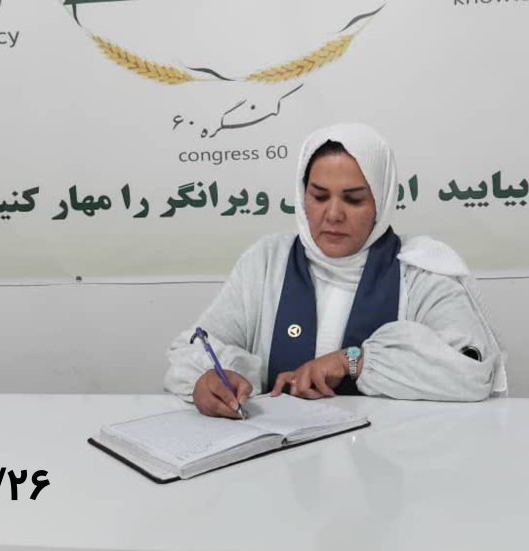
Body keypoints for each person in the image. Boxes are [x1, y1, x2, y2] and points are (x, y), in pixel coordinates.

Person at [165, 123, 507, 418]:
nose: (333, 215)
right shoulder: (267, 262)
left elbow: (473, 372)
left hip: (394, 462)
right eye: (319, 197)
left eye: (353, 199)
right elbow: (195, 348)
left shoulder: (420, 271)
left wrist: (354, 361)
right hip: (277, 462)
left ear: (382, 201)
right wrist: (206, 379)